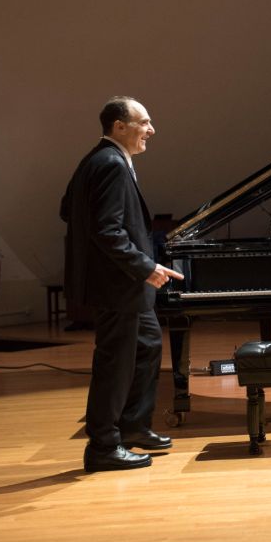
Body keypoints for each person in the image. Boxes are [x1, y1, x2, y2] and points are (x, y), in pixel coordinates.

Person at [60, 96, 182, 472]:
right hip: (118, 286)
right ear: (119, 126)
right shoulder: (111, 163)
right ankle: (103, 447)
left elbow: (67, 208)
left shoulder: (98, 159)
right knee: (114, 365)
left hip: (122, 285)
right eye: (144, 122)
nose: (151, 130)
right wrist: (145, 267)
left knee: (147, 346)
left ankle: (133, 425)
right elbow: (107, 230)